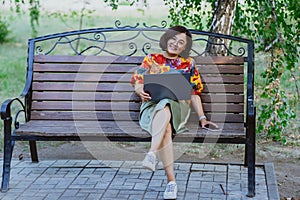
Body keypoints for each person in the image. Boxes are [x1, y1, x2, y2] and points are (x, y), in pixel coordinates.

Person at [130, 25, 218, 199]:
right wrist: (140, 90)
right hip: (152, 107)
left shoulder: (188, 64)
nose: (175, 44)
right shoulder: (151, 59)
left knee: (168, 103)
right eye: (173, 39)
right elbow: (137, 80)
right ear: (166, 38)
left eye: (181, 42)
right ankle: (171, 183)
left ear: (185, 47)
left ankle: (152, 154)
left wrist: (202, 118)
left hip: (178, 109)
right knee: (166, 123)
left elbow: (194, 93)